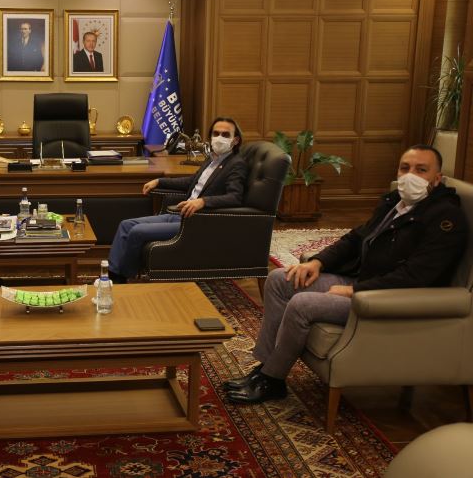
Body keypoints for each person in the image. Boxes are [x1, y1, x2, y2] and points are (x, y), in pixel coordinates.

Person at [225, 145, 468, 404]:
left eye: (421, 170)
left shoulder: (445, 219)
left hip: (384, 298)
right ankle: (265, 367)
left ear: (437, 179)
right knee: (279, 280)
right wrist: (317, 262)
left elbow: (415, 277)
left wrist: (355, 291)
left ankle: (272, 379)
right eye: (405, 168)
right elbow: (355, 238)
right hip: (363, 280)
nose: (410, 176)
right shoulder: (395, 202)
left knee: (302, 304)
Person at [107, 117, 248, 283]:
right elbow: (191, 181)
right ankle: (112, 275)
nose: (219, 138)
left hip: (196, 221)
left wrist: (202, 201)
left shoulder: (236, 164)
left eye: (225, 135)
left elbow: (235, 197)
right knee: (125, 225)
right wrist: (159, 181)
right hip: (179, 214)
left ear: (235, 140)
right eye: (216, 133)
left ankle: (124, 279)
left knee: (137, 232)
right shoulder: (212, 159)